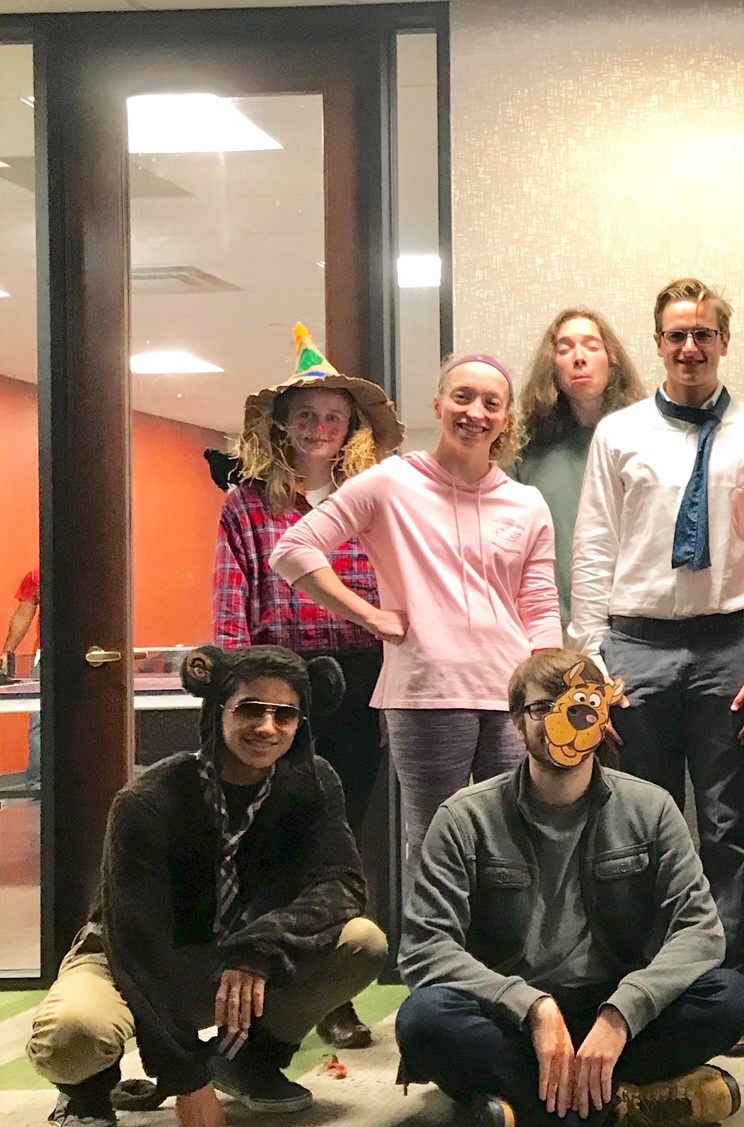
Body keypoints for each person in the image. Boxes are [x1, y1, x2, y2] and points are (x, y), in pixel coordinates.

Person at [27, 645, 386, 1127]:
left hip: (234, 955)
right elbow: (140, 948)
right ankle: (86, 1088)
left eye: (284, 714)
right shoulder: (148, 800)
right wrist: (186, 1079)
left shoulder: (314, 783)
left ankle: (247, 1061)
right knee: (75, 1033)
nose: (267, 727)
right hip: (125, 957)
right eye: (250, 709)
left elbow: (341, 884)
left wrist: (259, 947)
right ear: (217, 709)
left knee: (362, 942)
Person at [395, 649, 744, 1127]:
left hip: (613, 1009)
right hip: (512, 1018)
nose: (561, 720)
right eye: (543, 707)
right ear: (517, 723)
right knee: (424, 1021)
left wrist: (622, 1013)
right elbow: (425, 948)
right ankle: (624, 1106)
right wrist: (532, 1007)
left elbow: (700, 930)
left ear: (602, 719)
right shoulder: (464, 818)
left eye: (579, 704)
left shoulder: (650, 807)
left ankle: (525, 1109)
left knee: (729, 997)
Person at [568, 278, 744, 1056]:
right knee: (641, 822)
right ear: (658, 343)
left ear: (724, 340)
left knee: (728, 825)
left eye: (703, 333)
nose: (689, 347)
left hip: (734, 642)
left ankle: (726, 988)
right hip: (636, 646)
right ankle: (649, 985)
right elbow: (595, 542)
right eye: (676, 335)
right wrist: (591, 654)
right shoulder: (619, 434)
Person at [271, 355, 561, 894]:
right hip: (427, 692)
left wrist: (545, 694)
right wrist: (370, 615)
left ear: (505, 418)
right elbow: (293, 549)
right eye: (462, 397)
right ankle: (432, 948)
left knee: (515, 838)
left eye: (491, 403)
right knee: (434, 843)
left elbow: (540, 601)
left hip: (511, 696)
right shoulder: (391, 483)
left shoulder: (525, 502)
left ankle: (503, 948)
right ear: (438, 404)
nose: (475, 412)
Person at [212, 326, 403, 1049]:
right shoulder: (246, 505)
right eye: (306, 416)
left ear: (350, 427)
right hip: (277, 683)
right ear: (283, 426)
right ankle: (261, 980)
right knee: (271, 833)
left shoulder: (374, 499)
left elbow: (397, 589)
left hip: (360, 682)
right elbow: (231, 602)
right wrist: (235, 690)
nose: (320, 428)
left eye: (332, 417)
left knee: (341, 836)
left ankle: (333, 990)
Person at [512, 307, 647, 627]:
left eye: (591, 345)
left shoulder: (645, 440)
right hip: (551, 627)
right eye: (565, 348)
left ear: (612, 360)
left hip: (634, 628)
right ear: (552, 366)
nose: (579, 358)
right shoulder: (524, 450)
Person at [3, 564, 39, 784]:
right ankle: (38, 783)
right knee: (40, 719)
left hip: (85, 656)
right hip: (45, 657)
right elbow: (23, 616)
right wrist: (7, 652)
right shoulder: (37, 575)